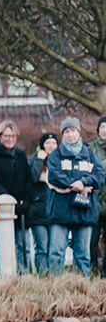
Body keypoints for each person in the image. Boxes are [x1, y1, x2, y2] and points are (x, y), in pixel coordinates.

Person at [45, 117, 105, 276]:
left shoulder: (91, 154)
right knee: (56, 252)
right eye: (67, 131)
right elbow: (54, 176)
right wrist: (76, 184)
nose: (71, 135)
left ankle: (81, 286)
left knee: (83, 254)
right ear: (63, 134)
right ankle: (55, 285)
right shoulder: (55, 156)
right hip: (60, 211)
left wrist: (83, 181)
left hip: (84, 211)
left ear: (79, 132)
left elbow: (100, 175)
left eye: (73, 131)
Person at [0, 118, 32, 272]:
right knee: (2, 243)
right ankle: (1, 274)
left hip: (20, 207)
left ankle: (23, 275)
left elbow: (27, 179)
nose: (10, 139)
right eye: (6, 136)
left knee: (22, 243)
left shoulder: (20, 155)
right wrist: (6, 199)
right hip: (2, 207)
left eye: (13, 136)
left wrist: (25, 200)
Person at [28, 132, 58, 275]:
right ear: (42, 145)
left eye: (53, 143)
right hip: (38, 210)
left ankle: (54, 276)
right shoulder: (34, 159)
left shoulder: (60, 160)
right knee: (42, 247)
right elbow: (33, 177)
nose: (51, 146)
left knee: (54, 248)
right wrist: (40, 160)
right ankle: (42, 275)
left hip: (56, 211)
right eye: (47, 143)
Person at [87, 117, 106, 275]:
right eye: (103, 127)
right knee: (91, 240)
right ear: (98, 129)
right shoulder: (90, 148)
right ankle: (92, 271)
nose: (105, 130)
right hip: (93, 200)